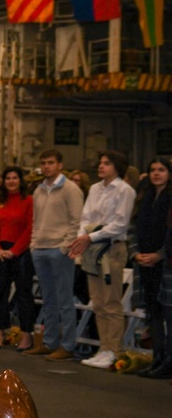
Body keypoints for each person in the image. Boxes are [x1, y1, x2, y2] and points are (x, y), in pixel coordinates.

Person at [70, 150, 136, 369]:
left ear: (117, 167)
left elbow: (120, 224)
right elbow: (86, 216)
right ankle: (103, 347)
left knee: (111, 302)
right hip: (92, 248)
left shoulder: (124, 190)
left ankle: (114, 349)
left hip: (112, 249)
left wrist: (91, 236)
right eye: (100, 163)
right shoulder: (96, 188)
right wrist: (83, 236)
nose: (101, 166)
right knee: (97, 302)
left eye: (106, 163)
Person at [25, 149, 85, 360]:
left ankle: (67, 345)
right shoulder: (39, 190)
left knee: (64, 299)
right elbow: (35, 220)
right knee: (48, 299)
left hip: (59, 250)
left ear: (60, 164)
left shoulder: (71, 189)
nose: (46, 166)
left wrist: (65, 246)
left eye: (50, 162)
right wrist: (34, 244)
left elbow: (76, 221)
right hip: (40, 249)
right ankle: (49, 342)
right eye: (43, 163)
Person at [129, 157, 172, 378]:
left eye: (162, 170)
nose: (156, 174)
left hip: (166, 265)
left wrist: (159, 255)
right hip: (145, 263)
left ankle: (169, 362)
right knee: (152, 314)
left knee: (169, 315)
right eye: (153, 170)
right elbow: (133, 228)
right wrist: (136, 253)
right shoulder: (144, 197)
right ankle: (157, 358)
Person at [0, 166, 35, 351]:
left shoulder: (29, 201)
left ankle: (26, 335)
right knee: (0, 294)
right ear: (3, 181)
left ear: (21, 181)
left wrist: (15, 250)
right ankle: (0, 332)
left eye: (15, 178)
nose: (11, 181)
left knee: (24, 295)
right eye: (8, 178)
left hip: (20, 252)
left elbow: (30, 228)